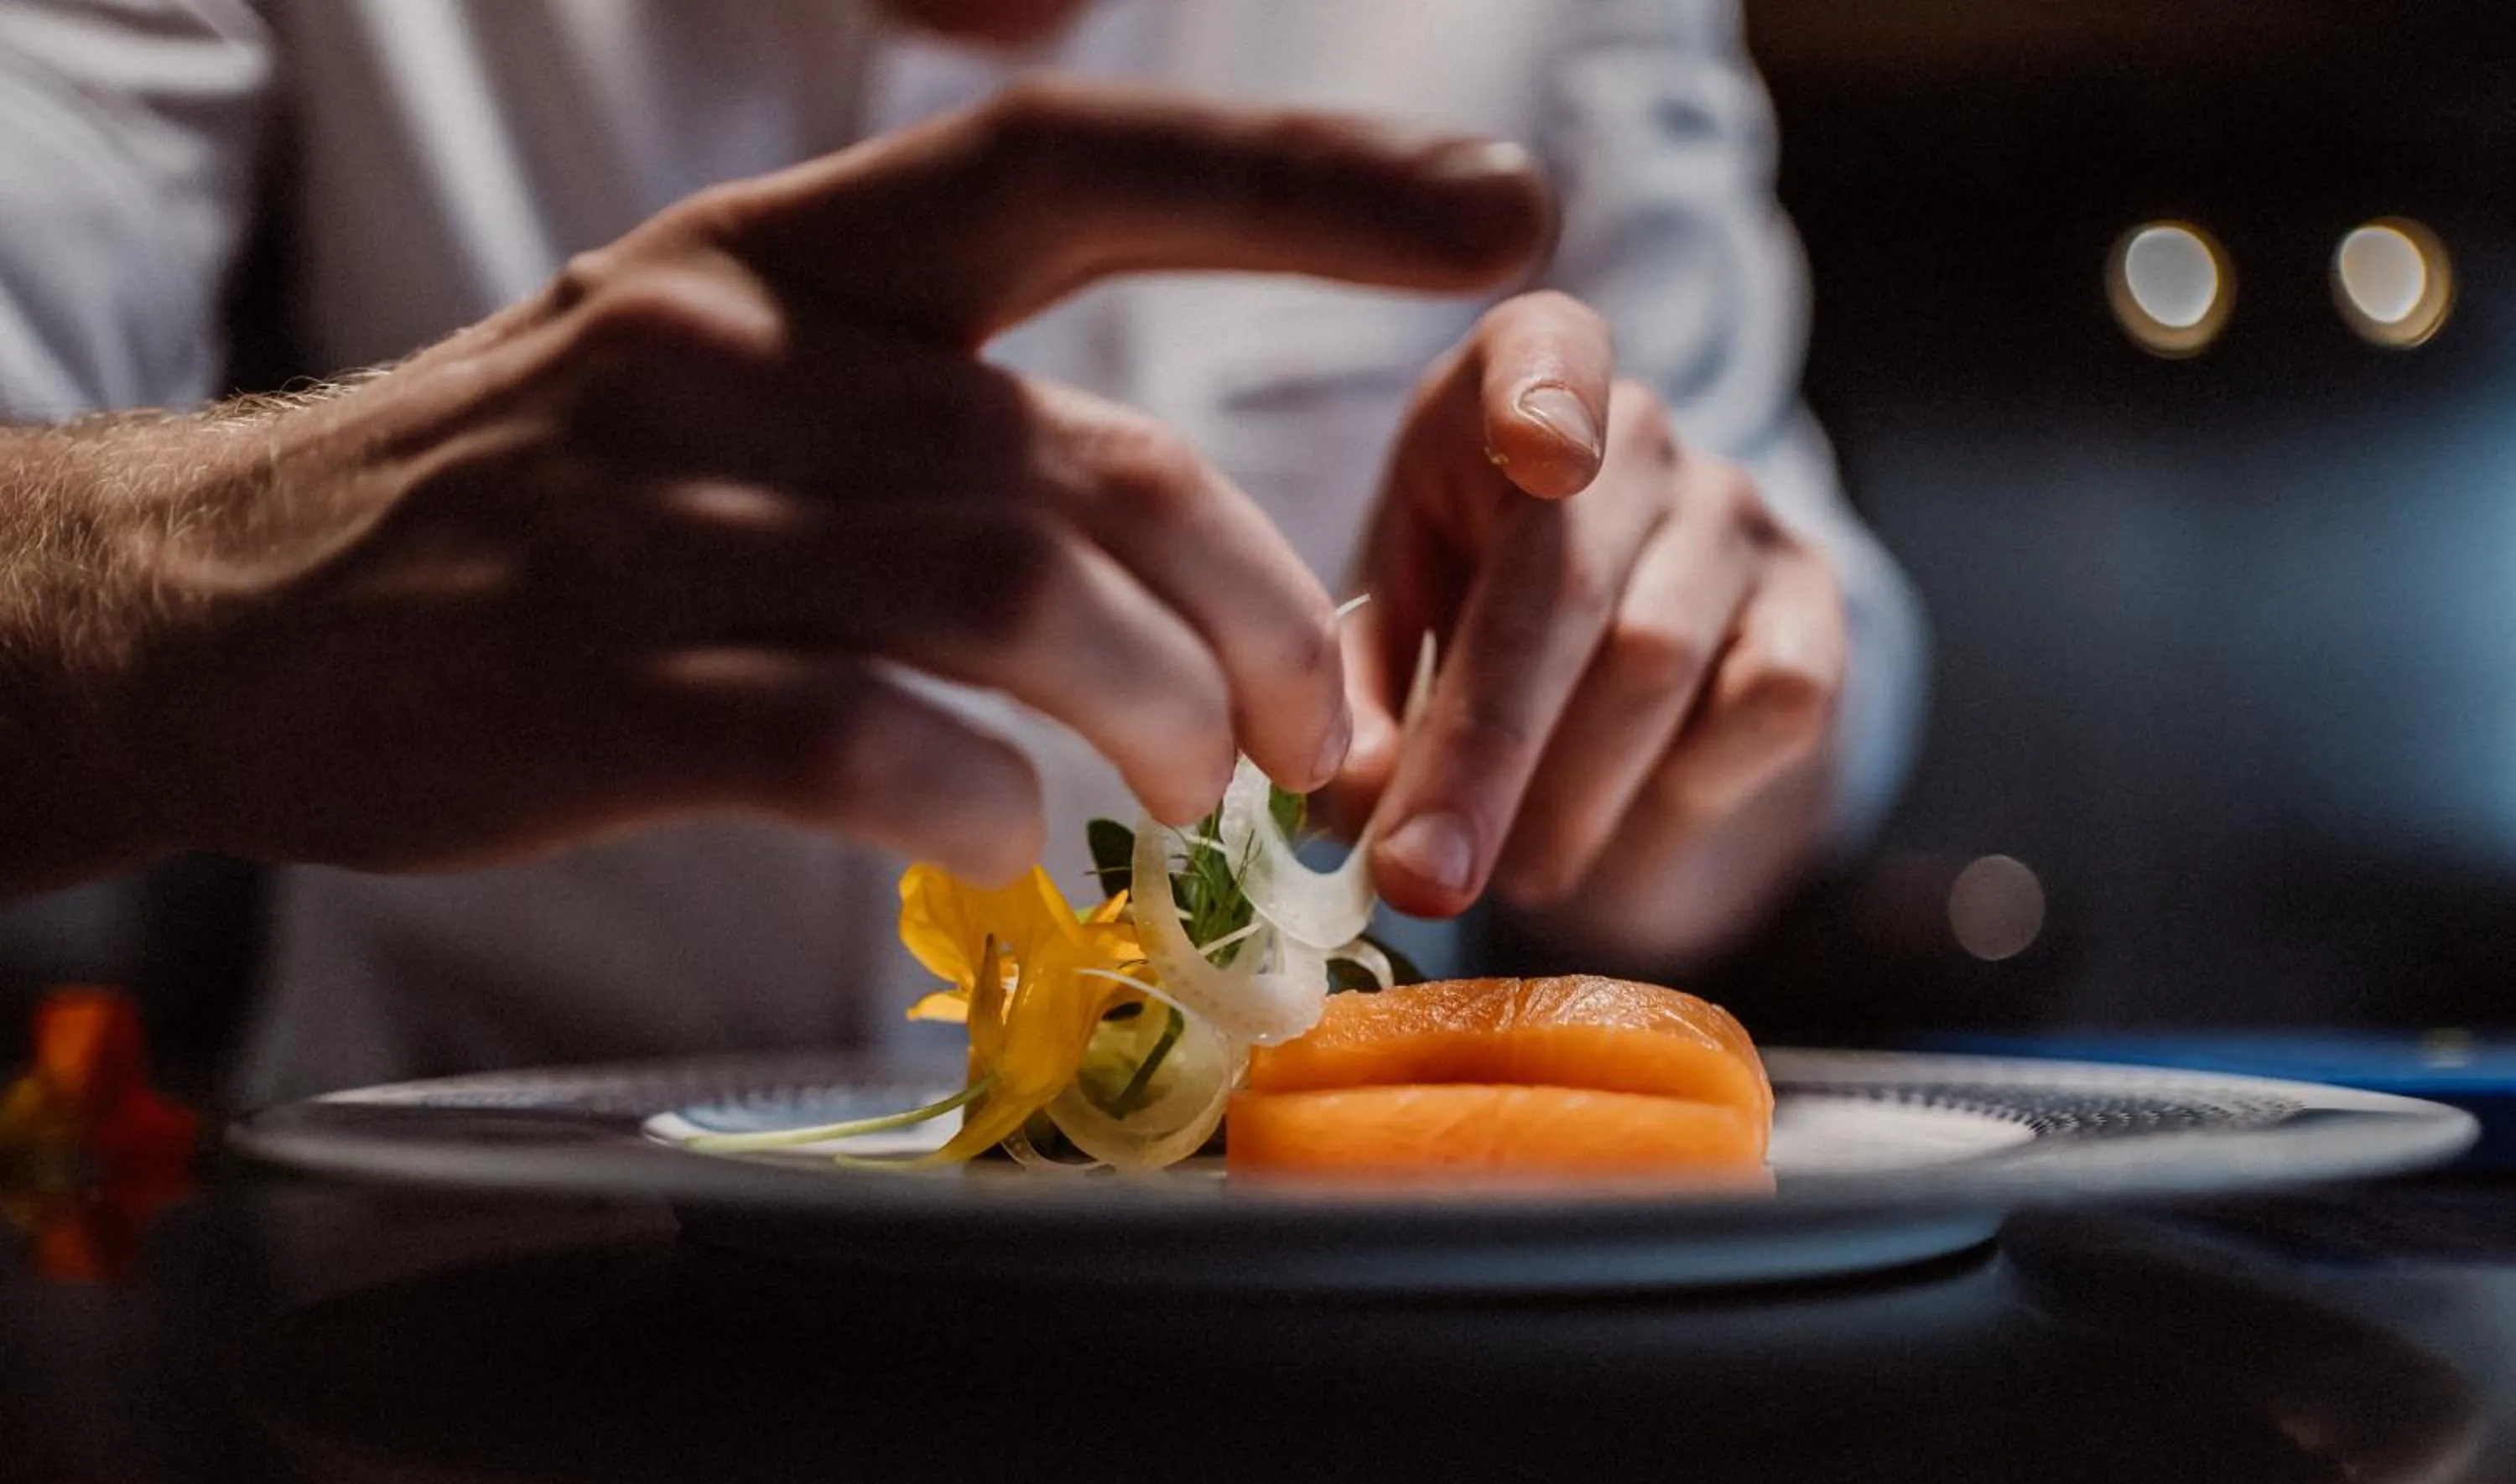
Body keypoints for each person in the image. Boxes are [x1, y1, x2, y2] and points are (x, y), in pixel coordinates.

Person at [0, 0, 1923, 1103]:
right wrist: (197, 592)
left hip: (1338, 1435)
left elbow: (1764, 656)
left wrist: (1692, 702)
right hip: (434, 1416)